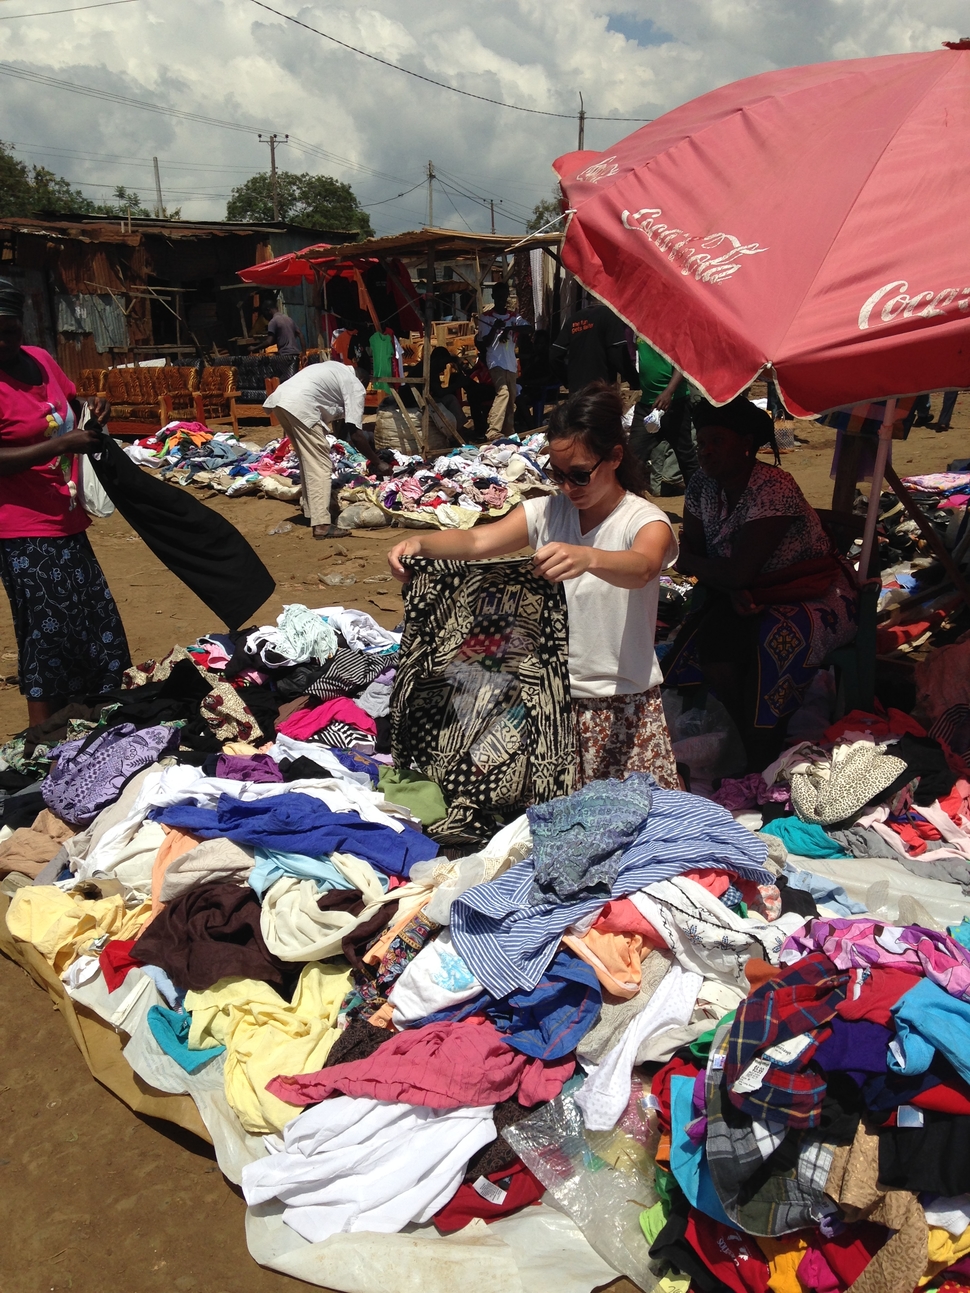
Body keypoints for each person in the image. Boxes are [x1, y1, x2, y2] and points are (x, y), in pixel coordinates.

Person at [387, 382, 680, 788]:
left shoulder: (643, 521)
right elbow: (476, 541)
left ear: (614, 457)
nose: (566, 488)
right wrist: (421, 543)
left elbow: (644, 566)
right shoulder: (546, 513)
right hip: (546, 704)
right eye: (557, 475)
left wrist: (589, 558)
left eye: (578, 475)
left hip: (620, 711)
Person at [663, 396, 858, 771]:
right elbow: (710, 558)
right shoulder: (702, 485)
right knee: (712, 637)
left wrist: (693, 562)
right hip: (745, 590)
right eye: (701, 442)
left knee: (774, 638)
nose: (706, 452)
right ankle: (745, 728)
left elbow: (705, 560)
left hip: (813, 591)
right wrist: (726, 579)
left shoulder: (773, 486)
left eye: (718, 441)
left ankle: (765, 739)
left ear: (747, 444)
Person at [0, 278, 130, 725]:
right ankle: (44, 731)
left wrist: (93, 410)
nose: (2, 340)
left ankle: (91, 715)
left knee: (94, 624)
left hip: (65, 517)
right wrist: (60, 446)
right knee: (47, 632)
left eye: (9, 329)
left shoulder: (39, 360)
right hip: (21, 527)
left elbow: (70, 403)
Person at [264, 360, 384, 539]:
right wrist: (378, 462)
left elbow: (346, 426)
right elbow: (356, 434)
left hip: (282, 400)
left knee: (308, 460)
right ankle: (321, 525)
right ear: (362, 380)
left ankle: (311, 512)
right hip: (301, 406)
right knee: (321, 465)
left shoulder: (335, 368)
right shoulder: (355, 385)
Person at [629, 340, 698, 491]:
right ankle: (630, 504)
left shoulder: (671, 329)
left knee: (685, 456)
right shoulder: (639, 330)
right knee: (633, 456)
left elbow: (682, 363)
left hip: (675, 404)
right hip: (647, 405)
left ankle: (699, 501)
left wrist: (669, 392)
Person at [475, 281, 530, 441]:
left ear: (506, 296)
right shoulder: (486, 318)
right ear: (493, 296)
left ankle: (508, 430)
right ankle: (492, 430)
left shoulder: (514, 317)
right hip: (495, 362)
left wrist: (510, 328)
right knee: (503, 392)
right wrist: (495, 328)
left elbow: (528, 328)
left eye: (503, 295)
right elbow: (483, 343)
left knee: (511, 395)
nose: (501, 298)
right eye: (498, 295)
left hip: (510, 363)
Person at [550, 302, 638, 394]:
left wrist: (569, 380)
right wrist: (635, 381)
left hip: (577, 393)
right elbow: (617, 355)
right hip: (600, 390)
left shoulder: (574, 319)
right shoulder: (609, 315)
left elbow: (554, 355)